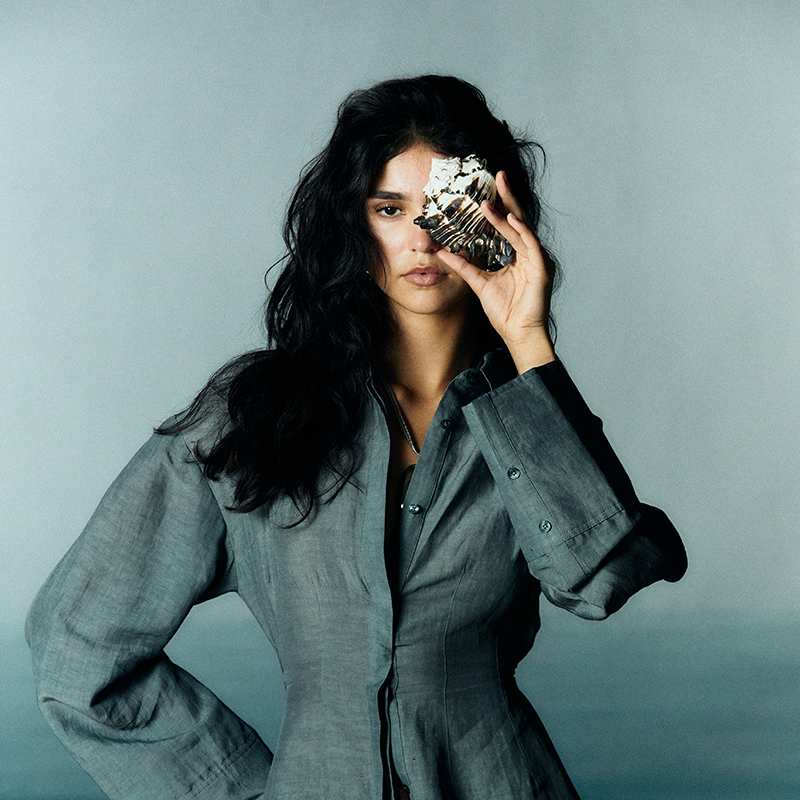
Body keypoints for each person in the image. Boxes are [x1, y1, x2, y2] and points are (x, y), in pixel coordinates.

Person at [26, 75, 686, 800]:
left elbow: (602, 581)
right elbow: (78, 650)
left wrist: (527, 341)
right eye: (389, 208)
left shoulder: (526, 422)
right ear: (353, 221)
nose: (422, 237)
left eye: (448, 205)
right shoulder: (253, 420)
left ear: (501, 216)